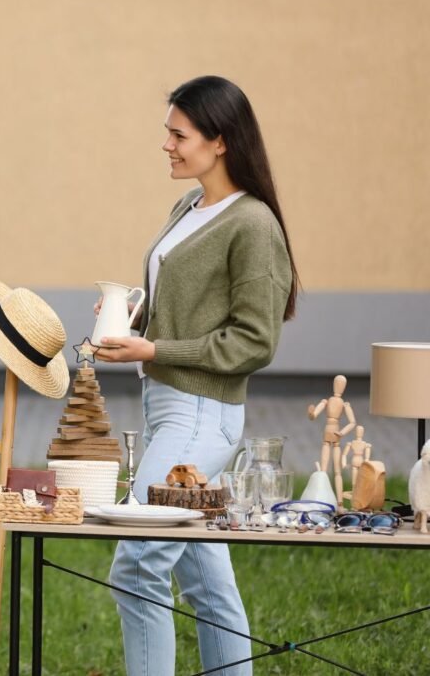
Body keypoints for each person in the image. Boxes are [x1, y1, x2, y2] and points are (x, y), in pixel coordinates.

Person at [93, 76, 299, 676]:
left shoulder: (253, 225)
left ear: (221, 141)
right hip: (169, 411)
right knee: (206, 584)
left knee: (136, 567)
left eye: (178, 134)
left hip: (201, 415)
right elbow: (184, 307)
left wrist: (153, 348)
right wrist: (132, 320)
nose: (167, 145)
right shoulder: (188, 207)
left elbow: (254, 341)